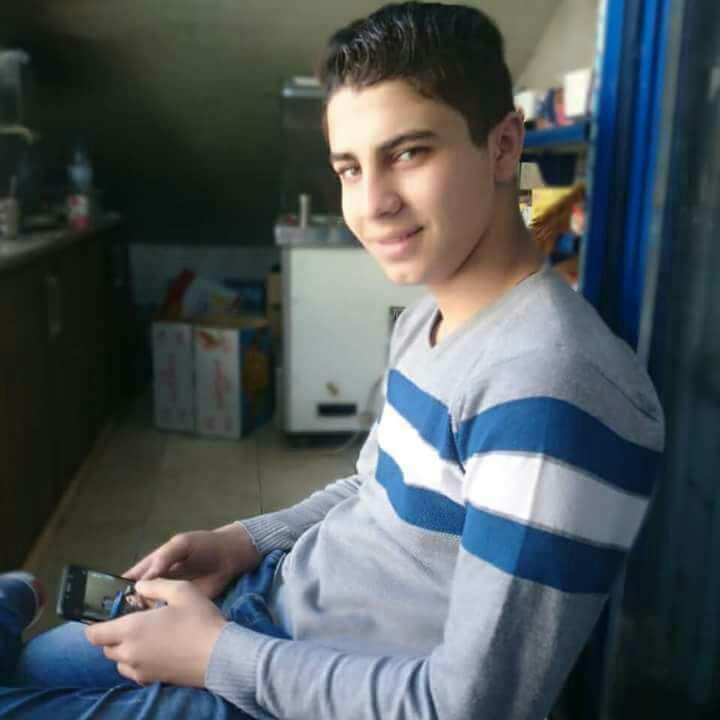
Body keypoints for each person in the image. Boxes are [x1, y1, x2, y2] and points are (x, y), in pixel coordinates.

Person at [0, 2, 664, 718]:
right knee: (29, 667)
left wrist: (217, 658)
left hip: (301, 690)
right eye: (350, 168)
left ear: (504, 148)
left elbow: (470, 707)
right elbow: (373, 488)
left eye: (408, 153)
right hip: (265, 605)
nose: (371, 204)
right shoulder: (427, 318)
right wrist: (242, 543)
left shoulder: (552, 387)